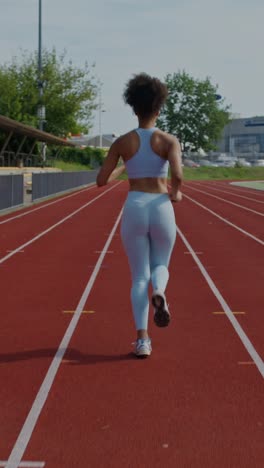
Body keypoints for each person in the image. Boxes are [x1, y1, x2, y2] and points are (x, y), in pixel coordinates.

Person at [96, 73, 183, 358]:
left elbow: (101, 180)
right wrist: (177, 192)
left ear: (134, 108)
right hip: (160, 205)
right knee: (162, 264)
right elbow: (178, 175)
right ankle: (160, 291)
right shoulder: (169, 140)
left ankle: (142, 340)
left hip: (134, 205)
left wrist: (123, 165)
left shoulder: (122, 143)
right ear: (158, 109)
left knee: (137, 276)